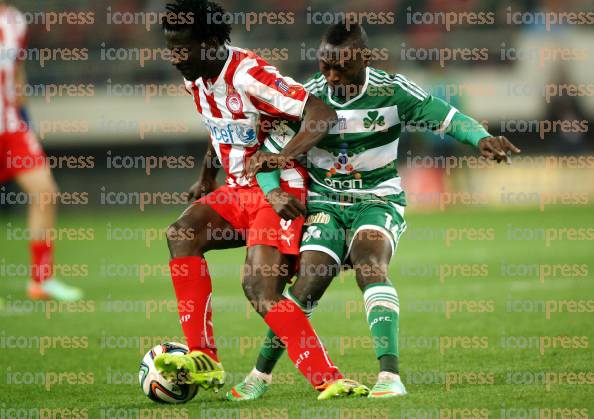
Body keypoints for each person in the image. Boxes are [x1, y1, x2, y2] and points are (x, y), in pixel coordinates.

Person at [230, 22, 521, 400]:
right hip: (325, 203)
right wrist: (272, 196)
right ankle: (259, 375)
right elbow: (266, 159)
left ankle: (389, 377)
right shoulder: (307, 99)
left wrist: (481, 138)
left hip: (377, 198)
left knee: (369, 264)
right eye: (325, 66)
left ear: (365, 58)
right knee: (308, 283)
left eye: (342, 67)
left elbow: (449, 119)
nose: (332, 76)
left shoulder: (394, 92)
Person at [154, 0, 369, 400]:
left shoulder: (250, 75)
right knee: (181, 233)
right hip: (238, 190)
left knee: (260, 289)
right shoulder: (196, 78)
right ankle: (203, 357)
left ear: (214, 42)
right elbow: (220, 126)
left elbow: (320, 113)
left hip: (278, 191)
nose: (175, 58)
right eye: (171, 48)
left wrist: (284, 157)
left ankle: (329, 378)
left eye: (183, 48)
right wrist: (206, 176)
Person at [0, 1, 82, 301]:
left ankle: (41, 279)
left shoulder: (15, 21)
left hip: (11, 127)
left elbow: (17, 71)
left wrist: (26, 119)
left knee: (45, 192)